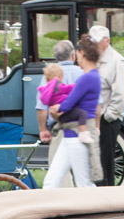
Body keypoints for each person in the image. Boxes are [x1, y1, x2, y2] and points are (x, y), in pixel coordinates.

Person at [43, 38, 102, 189]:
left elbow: (69, 104)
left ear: (81, 54)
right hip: (72, 135)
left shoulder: (87, 78)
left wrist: (56, 108)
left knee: (83, 184)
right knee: (52, 180)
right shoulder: (94, 76)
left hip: (76, 137)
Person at [89, 25, 124, 185]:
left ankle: (108, 199)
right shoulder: (95, 59)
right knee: (96, 164)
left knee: (105, 165)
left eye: (98, 42)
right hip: (96, 119)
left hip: (107, 120)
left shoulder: (117, 61)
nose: (94, 45)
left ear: (107, 41)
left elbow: (123, 93)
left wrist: (108, 116)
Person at [38, 63, 92, 143]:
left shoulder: (46, 89)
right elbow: (68, 89)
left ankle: (58, 128)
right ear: (59, 76)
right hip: (66, 111)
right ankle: (83, 133)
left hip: (58, 116)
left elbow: (41, 108)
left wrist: (42, 129)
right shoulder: (57, 85)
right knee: (82, 113)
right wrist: (79, 86)